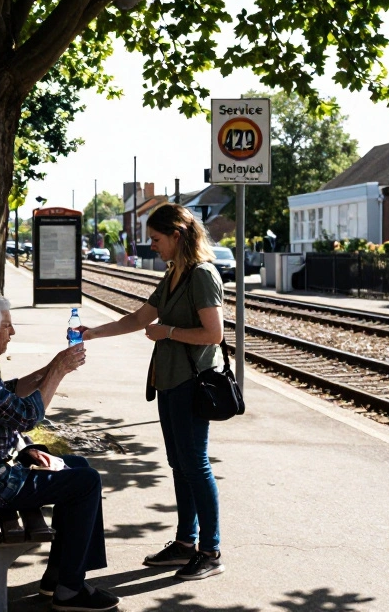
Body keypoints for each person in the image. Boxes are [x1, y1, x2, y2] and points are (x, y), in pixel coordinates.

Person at [0, 291, 119, 611]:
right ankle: (70, 589)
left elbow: (7, 393)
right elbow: (26, 416)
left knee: (77, 464)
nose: (12, 332)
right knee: (86, 483)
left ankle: (59, 576)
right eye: (8, 326)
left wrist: (49, 370)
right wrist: (57, 371)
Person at [80, 204, 226, 581]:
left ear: (177, 235)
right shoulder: (175, 273)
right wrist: (95, 332)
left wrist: (170, 333)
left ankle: (210, 551)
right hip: (169, 382)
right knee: (180, 465)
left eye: (157, 239)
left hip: (193, 385)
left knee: (196, 465)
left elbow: (214, 334)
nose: (152, 246)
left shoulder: (202, 276)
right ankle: (184, 543)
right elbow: (139, 318)